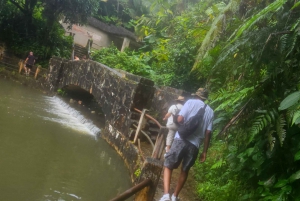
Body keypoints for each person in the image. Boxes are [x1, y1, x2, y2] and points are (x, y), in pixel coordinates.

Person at [159, 88, 214, 201]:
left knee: (168, 165)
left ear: (197, 96)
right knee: (185, 170)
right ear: (205, 98)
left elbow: (179, 119)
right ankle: (175, 196)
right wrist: (204, 151)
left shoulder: (190, 102)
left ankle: (166, 196)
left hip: (181, 139)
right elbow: (208, 132)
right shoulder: (211, 112)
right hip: (195, 145)